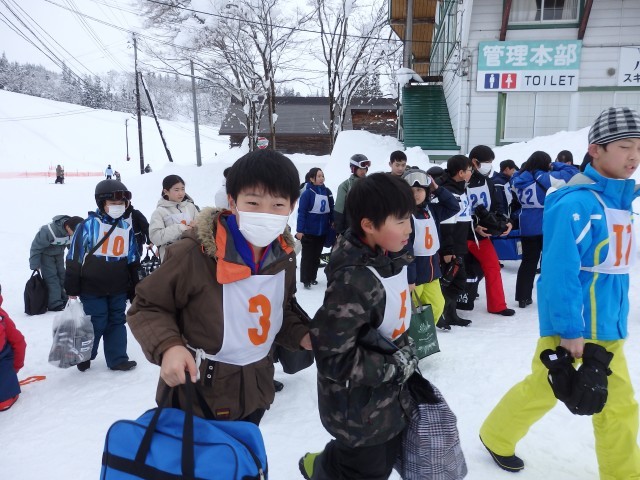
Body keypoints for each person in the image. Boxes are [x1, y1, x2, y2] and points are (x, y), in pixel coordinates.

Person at [479, 107, 640, 477]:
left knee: (585, 397)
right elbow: (557, 272)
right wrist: (570, 329)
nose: (634, 156)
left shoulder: (617, 199)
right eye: (624, 147)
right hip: (577, 323)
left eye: (639, 147)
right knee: (575, 394)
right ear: (595, 150)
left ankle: (496, 434)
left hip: (607, 322)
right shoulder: (575, 203)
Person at [127, 149, 311, 426]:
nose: (265, 214)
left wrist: (304, 335)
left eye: (277, 205)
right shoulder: (194, 253)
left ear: (292, 206)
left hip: (255, 390)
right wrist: (169, 347)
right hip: (199, 394)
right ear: (232, 202)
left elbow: (276, 311)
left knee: (242, 452)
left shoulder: (283, 255)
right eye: (253, 202)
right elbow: (147, 306)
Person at [299, 173, 418, 480]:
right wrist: (392, 367)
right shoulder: (353, 280)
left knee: (380, 459)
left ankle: (326, 463)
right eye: (400, 221)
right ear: (368, 225)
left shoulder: (388, 257)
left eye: (409, 218)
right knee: (368, 469)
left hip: (386, 402)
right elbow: (333, 357)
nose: (409, 228)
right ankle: (323, 468)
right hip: (360, 412)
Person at [64, 179, 140, 372]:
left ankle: (117, 359)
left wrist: (135, 285)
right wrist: (72, 286)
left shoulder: (126, 228)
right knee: (96, 321)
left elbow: (133, 258)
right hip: (92, 287)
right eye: (113, 203)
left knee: (117, 321)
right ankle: (85, 354)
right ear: (101, 203)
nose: (118, 207)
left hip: (118, 286)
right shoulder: (88, 225)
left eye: (122, 203)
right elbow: (74, 257)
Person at [511, 151, 578, 308]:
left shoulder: (517, 179)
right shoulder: (546, 178)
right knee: (549, 262)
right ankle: (548, 296)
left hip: (526, 224)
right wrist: (554, 164)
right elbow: (573, 173)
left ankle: (523, 297)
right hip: (546, 225)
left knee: (528, 262)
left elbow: (515, 179)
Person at [404, 168, 459, 323]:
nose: (416, 194)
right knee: (411, 309)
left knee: (437, 304)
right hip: (414, 272)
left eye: (420, 190)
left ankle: (425, 333)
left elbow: (454, 207)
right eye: (412, 191)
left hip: (432, 271)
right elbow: (406, 249)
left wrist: (437, 188)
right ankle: (409, 335)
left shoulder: (432, 210)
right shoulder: (405, 216)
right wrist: (410, 279)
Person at [466, 145, 514, 316]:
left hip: (481, 236)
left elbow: (497, 207)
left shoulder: (489, 182)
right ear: (475, 162)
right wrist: (474, 225)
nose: (489, 166)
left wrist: (505, 222)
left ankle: (497, 305)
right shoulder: (461, 180)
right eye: (487, 162)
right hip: (460, 234)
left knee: (493, 266)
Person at [436, 155, 474, 329]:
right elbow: (446, 225)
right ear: (460, 173)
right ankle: (441, 313)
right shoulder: (449, 192)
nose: (471, 173)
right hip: (450, 246)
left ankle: (450, 314)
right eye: (469, 170)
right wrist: (447, 250)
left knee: (456, 281)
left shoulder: (460, 189)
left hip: (459, 243)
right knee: (454, 280)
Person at [29, 215, 84, 312]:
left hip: (59, 255)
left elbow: (73, 246)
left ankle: (64, 299)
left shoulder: (72, 232)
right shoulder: (48, 231)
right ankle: (54, 303)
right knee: (51, 278)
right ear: (68, 227)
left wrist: (74, 260)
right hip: (45, 256)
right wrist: (35, 264)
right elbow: (36, 247)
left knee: (62, 276)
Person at [295, 168, 334, 289]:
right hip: (309, 231)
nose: (321, 178)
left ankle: (313, 277)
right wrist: (300, 230)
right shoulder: (307, 194)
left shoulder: (327, 192)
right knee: (307, 256)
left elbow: (332, 208)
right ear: (312, 179)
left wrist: (333, 222)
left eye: (322, 176)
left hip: (322, 231)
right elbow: (302, 213)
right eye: (319, 176)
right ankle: (305, 279)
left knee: (316, 256)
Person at [149, 175, 200, 262]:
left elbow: (203, 230)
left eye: (183, 189)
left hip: (193, 255)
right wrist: (179, 228)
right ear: (166, 191)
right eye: (176, 190)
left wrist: (198, 225)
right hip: (172, 258)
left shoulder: (191, 207)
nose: (181, 193)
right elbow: (155, 237)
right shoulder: (160, 212)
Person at [0, 284, 26, 411]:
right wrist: (15, 368)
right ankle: (5, 395)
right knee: (7, 348)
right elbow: (19, 343)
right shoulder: (2, 317)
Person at [333, 154, 370, 234]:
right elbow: (339, 209)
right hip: (350, 228)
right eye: (360, 168)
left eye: (365, 169)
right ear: (353, 169)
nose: (363, 171)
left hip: (368, 227)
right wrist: (340, 230)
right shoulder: (345, 186)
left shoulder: (371, 184)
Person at [491, 159, 520, 227]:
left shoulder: (506, 181)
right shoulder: (498, 182)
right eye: (513, 170)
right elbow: (499, 201)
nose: (513, 172)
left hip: (507, 216)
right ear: (507, 169)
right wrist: (504, 218)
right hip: (503, 218)